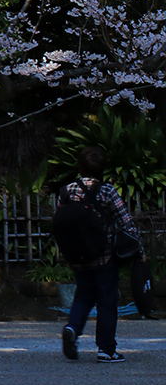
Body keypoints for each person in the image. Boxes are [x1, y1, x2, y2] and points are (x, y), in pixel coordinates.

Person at [56, 145, 147, 363]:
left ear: (80, 166)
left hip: (77, 256)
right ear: (103, 169)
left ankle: (72, 328)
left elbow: (61, 223)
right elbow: (126, 223)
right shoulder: (107, 191)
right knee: (106, 300)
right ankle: (106, 349)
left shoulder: (66, 191)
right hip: (104, 256)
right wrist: (139, 251)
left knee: (83, 295)